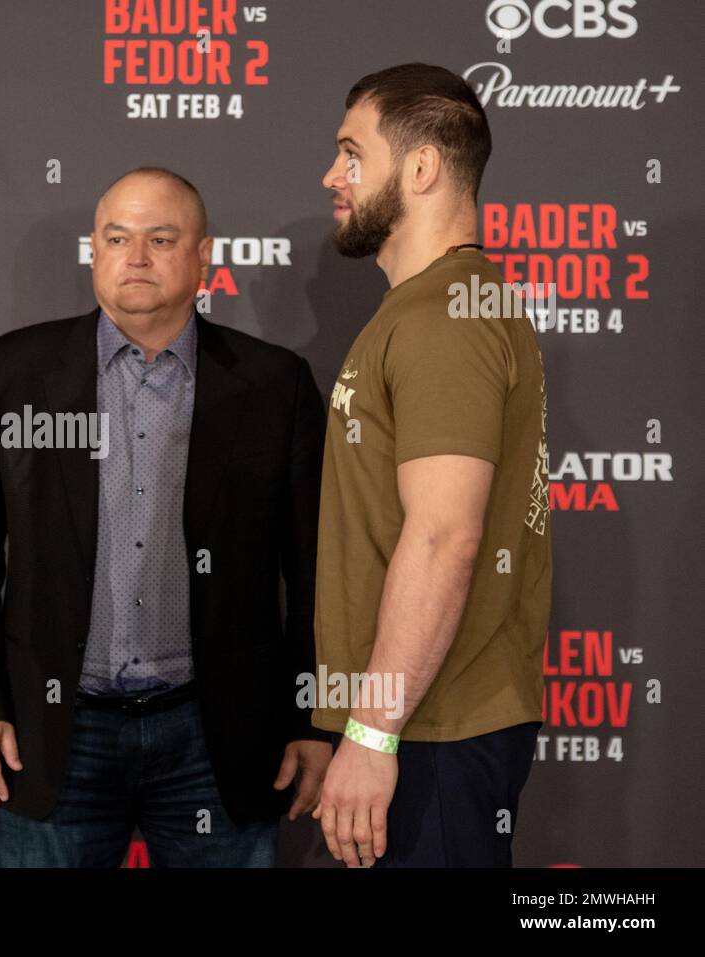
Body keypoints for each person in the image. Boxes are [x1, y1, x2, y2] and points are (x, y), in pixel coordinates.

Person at [0, 166, 331, 867]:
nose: (135, 256)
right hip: (55, 729)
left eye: (160, 238)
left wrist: (311, 717)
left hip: (218, 734)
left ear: (204, 255)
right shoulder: (14, 371)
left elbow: (314, 567)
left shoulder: (276, 384)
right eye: (117, 237)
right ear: (94, 248)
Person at [312, 63, 551, 867]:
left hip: (432, 730)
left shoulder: (447, 313)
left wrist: (373, 729)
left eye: (352, 154)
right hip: (421, 725)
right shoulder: (437, 305)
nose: (331, 176)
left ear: (420, 168)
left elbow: (446, 533)